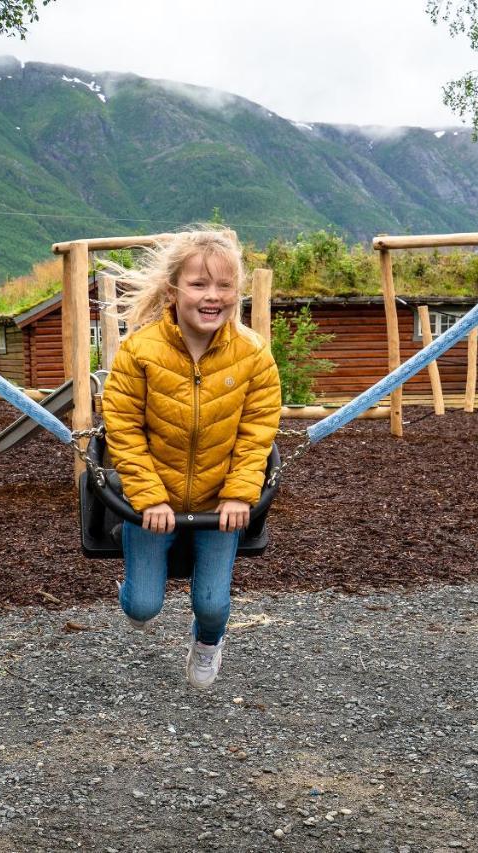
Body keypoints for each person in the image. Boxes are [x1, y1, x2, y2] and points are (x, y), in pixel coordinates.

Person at [100, 229, 281, 689]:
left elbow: (258, 430)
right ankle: (135, 581)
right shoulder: (140, 352)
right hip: (150, 501)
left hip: (218, 502)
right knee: (142, 607)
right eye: (199, 284)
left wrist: (241, 493)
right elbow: (122, 428)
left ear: (235, 292)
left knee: (213, 605)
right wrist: (148, 497)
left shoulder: (254, 354)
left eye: (223, 286)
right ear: (173, 289)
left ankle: (207, 643)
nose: (212, 296)